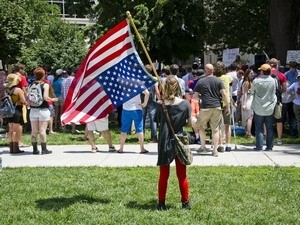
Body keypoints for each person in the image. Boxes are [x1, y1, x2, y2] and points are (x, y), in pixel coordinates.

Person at [155, 75, 192, 210]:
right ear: (179, 87)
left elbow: (158, 120)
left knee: (163, 175)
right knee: (182, 175)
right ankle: (185, 203)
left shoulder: (160, 105)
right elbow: (189, 123)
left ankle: (161, 203)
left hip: (164, 140)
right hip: (180, 140)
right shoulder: (185, 104)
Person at [193, 64, 230, 157]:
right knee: (216, 129)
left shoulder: (200, 82)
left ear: (205, 70)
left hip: (205, 107)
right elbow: (224, 94)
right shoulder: (218, 81)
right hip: (217, 106)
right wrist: (228, 106)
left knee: (201, 127)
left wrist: (199, 101)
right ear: (213, 70)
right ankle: (215, 150)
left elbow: (195, 97)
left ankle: (203, 147)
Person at [29, 67, 58, 154]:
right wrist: (52, 99)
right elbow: (45, 97)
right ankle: (44, 149)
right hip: (43, 110)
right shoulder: (45, 85)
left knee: (34, 130)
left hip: (33, 110)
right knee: (42, 130)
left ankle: (34, 149)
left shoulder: (31, 85)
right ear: (44, 75)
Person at [250, 64, 277, 151]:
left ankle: (259, 146)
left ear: (262, 71)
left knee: (259, 127)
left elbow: (252, 92)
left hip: (258, 107)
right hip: (269, 107)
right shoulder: (273, 80)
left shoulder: (256, 81)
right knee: (269, 127)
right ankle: (269, 146)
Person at [117, 89, 150, 154]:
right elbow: (147, 93)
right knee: (139, 129)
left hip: (126, 109)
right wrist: (145, 103)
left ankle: (121, 148)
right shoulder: (138, 83)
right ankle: (142, 148)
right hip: (137, 109)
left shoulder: (122, 84)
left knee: (124, 129)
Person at [5, 74, 27, 154]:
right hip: (17, 110)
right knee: (15, 130)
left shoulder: (7, 89)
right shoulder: (18, 90)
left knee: (10, 129)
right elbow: (23, 101)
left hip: (9, 111)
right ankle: (15, 148)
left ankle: (11, 148)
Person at [214, 61, 233, 152]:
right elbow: (231, 83)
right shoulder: (227, 77)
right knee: (227, 125)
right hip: (226, 103)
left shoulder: (213, 79)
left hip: (217, 103)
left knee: (218, 125)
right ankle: (228, 144)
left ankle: (221, 144)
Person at [268, 58, 287, 145]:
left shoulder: (264, 74)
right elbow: (285, 88)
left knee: (267, 119)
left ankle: (267, 138)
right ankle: (279, 139)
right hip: (278, 100)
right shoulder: (281, 75)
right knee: (279, 120)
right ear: (277, 65)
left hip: (267, 100)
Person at [241, 69, 254, 138]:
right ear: (247, 74)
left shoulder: (250, 82)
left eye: (253, 73)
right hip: (248, 101)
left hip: (249, 100)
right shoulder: (246, 83)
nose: (253, 74)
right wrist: (244, 104)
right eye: (251, 73)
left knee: (247, 118)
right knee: (249, 118)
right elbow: (245, 94)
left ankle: (247, 132)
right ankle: (248, 133)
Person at [286, 73, 300, 138]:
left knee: (298, 120)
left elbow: (287, 90)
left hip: (296, 104)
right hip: (296, 104)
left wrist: (293, 94)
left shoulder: (295, 84)